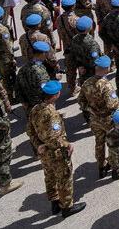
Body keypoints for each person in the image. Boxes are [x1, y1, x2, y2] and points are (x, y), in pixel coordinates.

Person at [32, 80, 87, 217]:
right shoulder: (52, 114)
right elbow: (55, 138)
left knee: (49, 176)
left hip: (44, 152)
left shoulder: (35, 109)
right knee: (64, 178)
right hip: (56, 153)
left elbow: (30, 130)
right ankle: (67, 207)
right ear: (55, 95)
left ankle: (54, 203)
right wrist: (67, 145)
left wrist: (38, 145)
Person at [80, 54, 119, 178]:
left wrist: (91, 110)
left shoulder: (87, 83)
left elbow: (81, 100)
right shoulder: (106, 86)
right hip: (108, 119)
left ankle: (101, 167)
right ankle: (114, 169)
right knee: (113, 143)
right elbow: (112, 105)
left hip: (95, 119)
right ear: (106, 68)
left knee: (99, 142)